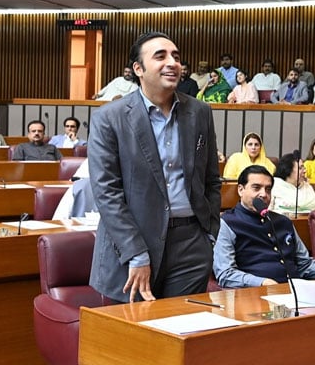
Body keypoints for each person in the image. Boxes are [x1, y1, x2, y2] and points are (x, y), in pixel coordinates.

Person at [87, 31, 221, 303]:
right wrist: (135, 252)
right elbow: (107, 194)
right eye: (160, 56)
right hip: (132, 243)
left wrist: (209, 235)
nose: (172, 62)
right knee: (133, 338)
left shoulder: (200, 112)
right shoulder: (109, 117)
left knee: (182, 335)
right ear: (138, 69)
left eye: (176, 57)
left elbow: (211, 180)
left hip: (190, 244)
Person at [213, 165, 315, 288]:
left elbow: (304, 265)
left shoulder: (283, 221)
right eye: (256, 188)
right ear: (241, 190)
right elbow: (226, 274)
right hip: (255, 296)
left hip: (297, 292)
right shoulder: (227, 223)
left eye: (268, 189)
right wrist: (262, 283)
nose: (263, 194)